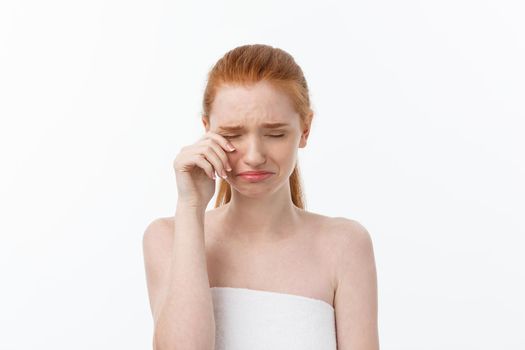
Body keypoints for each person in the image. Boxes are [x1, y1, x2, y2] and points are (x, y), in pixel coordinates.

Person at [142, 44, 379, 350]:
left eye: (275, 134)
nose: (254, 156)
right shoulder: (168, 237)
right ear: (207, 129)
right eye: (232, 135)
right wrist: (191, 206)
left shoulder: (345, 245)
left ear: (305, 129)